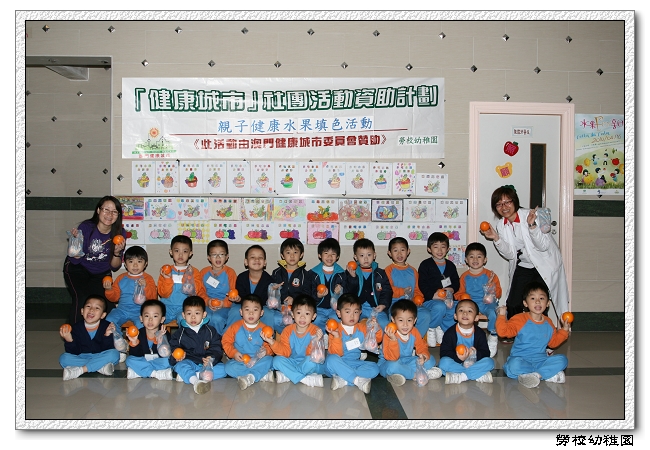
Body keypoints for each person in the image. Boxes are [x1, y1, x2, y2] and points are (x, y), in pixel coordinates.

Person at [481, 185, 570, 325]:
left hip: (544, 264)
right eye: (499, 204)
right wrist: (496, 238)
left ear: (515, 201)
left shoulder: (531, 216)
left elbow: (543, 246)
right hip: (524, 264)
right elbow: (510, 254)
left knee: (539, 302)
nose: (504, 207)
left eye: (507, 202)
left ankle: (542, 334)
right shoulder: (501, 225)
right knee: (513, 302)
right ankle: (516, 331)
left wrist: (532, 226)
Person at [63, 196, 127, 324]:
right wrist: (75, 245)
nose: (109, 215)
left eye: (114, 212)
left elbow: (115, 266)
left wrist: (116, 253)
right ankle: (75, 334)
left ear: (118, 215)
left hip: (101, 273)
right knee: (82, 299)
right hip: (78, 269)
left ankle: (107, 334)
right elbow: (75, 258)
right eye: (106, 210)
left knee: (107, 305)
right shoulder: (87, 227)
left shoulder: (120, 233)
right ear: (98, 210)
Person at [495, 281, 570, 389]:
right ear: (525, 303)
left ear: (548, 303)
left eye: (542, 298)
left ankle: (536, 375)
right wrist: (501, 316)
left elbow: (553, 343)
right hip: (521, 360)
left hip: (541, 361)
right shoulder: (520, 319)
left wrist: (564, 330)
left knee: (563, 360)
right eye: (533, 298)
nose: (538, 302)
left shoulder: (548, 323)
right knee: (513, 365)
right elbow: (503, 332)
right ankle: (545, 374)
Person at [325, 293, 382, 394]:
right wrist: (337, 337)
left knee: (375, 368)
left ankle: (344, 380)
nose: (352, 316)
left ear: (360, 312)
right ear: (339, 313)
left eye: (355, 312)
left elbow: (375, 341)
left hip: (355, 363)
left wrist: (376, 329)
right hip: (339, 362)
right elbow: (336, 353)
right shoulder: (335, 329)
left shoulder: (362, 328)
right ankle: (357, 380)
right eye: (347, 312)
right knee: (331, 359)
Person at [168, 296, 226, 395]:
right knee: (181, 366)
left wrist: (211, 358)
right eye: (189, 313)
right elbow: (174, 347)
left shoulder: (211, 331)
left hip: (206, 363)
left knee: (224, 369)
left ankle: (193, 375)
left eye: (197, 313)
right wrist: (176, 356)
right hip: (189, 361)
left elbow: (216, 347)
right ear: (183, 315)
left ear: (204, 314)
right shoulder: (180, 333)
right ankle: (196, 381)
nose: (193, 317)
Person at [454, 242, 502, 357]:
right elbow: (459, 293)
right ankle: (465, 337)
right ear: (466, 260)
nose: (475, 259)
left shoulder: (490, 275)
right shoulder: (464, 276)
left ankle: (493, 336)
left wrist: (491, 289)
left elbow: (499, 293)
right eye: (471, 257)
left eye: (479, 256)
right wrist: (464, 297)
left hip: (487, 304)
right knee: (460, 311)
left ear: (485, 260)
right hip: (471, 304)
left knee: (494, 313)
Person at [378, 299, 442, 386]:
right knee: (393, 366)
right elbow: (392, 358)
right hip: (388, 362)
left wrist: (423, 356)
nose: (405, 324)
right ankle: (415, 375)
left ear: (414, 320)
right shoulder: (389, 334)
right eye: (401, 320)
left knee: (430, 360)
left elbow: (421, 346)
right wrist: (393, 340)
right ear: (393, 320)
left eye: (409, 320)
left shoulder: (414, 331)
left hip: (407, 360)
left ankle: (401, 374)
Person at [269, 294, 326, 387]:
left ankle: (290, 375)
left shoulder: (316, 331)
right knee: (276, 361)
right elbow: (285, 352)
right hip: (293, 361)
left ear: (313, 316)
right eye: (299, 313)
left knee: (311, 362)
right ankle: (303, 378)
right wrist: (272, 342)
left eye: (307, 314)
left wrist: (315, 341)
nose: (302, 317)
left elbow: (316, 357)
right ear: (292, 314)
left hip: (308, 361)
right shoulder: (287, 330)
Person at [59, 294, 120, 380]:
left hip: (100, 355)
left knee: (114, 354)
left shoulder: (107, 326)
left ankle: (81, 370)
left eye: (97, 308)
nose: (91, 310)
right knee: (64, 358)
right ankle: (100, 367)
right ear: (82, 311)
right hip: (82, 356)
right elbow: (74, 352)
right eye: (88, 306)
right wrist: (69, 339)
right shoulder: (75, 328)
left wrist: (107, 335)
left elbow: (108, 348)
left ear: (103, 315)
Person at [222, 294, 276, 390]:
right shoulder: (235, 327)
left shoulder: (265, 329)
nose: (251, 313)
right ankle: (259, 375)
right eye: (247, 310)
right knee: (228, 367)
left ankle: (251, 376)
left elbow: (270, 347)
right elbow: (226, 341)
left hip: (258, 360)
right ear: (241, 312)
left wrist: (266, 352)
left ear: (261, 313)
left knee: (270, 360)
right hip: (241, 361)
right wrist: (234, 353)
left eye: (255, 310)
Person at [417, 232, 460, 347]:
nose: (440, 250)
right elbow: (422, 284)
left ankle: (444, 329)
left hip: (448, 299)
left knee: (456, 308)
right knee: (440, 307)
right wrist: (432, 295)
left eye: (443, 247)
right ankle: (432, 327)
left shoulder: (451, 265)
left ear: (448, 249)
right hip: (431, 300)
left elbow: (456, 281)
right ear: (429, 249)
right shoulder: (425, 265)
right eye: (436, 247)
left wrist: (452, 289)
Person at [384, 237, 431, 341]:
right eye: (395, 250)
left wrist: (418, 299)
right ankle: (398, 341)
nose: (399, 254)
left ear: (408, 251)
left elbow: (417, 290)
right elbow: (387, 290)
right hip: (395, 304)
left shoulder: (413, 271)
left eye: (402, 250)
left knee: (425, 314)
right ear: (389, 253)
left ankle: (414, 341)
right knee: (396, 317)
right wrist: (402, 291)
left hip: (411, 303)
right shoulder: (388, 270)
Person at [340, 238, 392, 330]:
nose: (366, 258)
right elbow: (348, 293)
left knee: (385, 324)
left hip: (376, 308)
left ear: (374, 255)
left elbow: (387, 291)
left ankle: (384, 339)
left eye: (369, 255)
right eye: (362, 255)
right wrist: (353, 278)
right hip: (357, 309)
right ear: (356, 257)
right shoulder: (350, 272)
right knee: (356, 325)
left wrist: (383, 304)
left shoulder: (380, 273)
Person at [438, 299, 495, 384]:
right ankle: (476, 374)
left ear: (476, 318)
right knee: (443, 363)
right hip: (457, 363)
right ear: (455, 316)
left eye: (469, 311)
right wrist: (458, 358)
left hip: (474, 363)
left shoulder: (480, 333)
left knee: (490, 362)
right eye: (461, 310)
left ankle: (462, 376)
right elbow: (444, 352)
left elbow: (485, 352)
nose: (465, 313)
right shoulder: (450, 333)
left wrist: (475, 354)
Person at [104, 245, 158, 330]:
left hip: (140, 310)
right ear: (125, 264)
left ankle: (141, 338)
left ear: (145, 264)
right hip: (122, 309)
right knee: (109, 320)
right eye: (131, 261)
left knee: (142, 325)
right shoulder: (121, 278)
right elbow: (114, 298)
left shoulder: (148, 278)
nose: (135, 265)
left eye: (139, 261)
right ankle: (117, 338)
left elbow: (153, 298)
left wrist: (146, 286)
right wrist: (109, 290)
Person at [158, 235, 208, 324]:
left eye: (185, 251)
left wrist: (189, 277)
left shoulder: (194, 271)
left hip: (185, 308)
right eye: (177, 251)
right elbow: (163, 293)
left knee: (184, 320)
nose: (180, 255)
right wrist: (167, 278)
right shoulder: (166, 270)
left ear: (190, 253)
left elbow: (195, 293)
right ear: (171, 252)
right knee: (156, 318)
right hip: (166, 306)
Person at [269, 237, 311, 334]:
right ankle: (283, 337)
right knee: (274, 319)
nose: (292, 256)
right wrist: (273, 290)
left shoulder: (305, 275)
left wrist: (295, 300)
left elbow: (307, 294)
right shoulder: (276, 273)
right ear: (282, 255)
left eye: (295, 252)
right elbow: (270, 293)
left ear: (301, 255)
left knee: (296, 322)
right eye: (288, 252)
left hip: (298, 309)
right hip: (279, 308)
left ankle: (292, 337)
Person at [226, 245, 274, 330]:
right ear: (246, 262)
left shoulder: (269, 280)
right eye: (252, 257)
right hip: (243, 304)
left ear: (265, 262)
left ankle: (267, 335)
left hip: (261, 306)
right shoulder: (241, 277)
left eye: (260, 257)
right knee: (235, 311)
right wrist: (238, 299)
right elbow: (241, 295)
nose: (257, 259)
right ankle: (229, 335)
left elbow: (266, 299)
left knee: (268, 313)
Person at [124, 299, 173, 380]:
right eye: (147, 316)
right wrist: (134, 342)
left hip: (157, 361)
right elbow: (136, 355)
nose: (150, 319)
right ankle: (155, 373)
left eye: (155, 316)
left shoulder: (164, 334)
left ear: (162, 319)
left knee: (169, 360)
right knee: (129, 360)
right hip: (143, 360)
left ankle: (140, 371)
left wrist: (159, 342)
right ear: (141, 318)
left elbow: (165, 355)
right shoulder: (138, 333)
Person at [307, 237, 346, 334]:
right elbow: (308, 294)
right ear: (319, 255)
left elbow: (347, 293)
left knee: (338, 319)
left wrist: (340, 292)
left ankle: (335, 339)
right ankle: (321, 337)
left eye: (333, 254)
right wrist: (317, 295)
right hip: (318, 308)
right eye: (326, 253)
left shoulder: (342, 274)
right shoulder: (313, 274)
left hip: (335, 309)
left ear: (337, 256)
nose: (329, 257)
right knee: (316, 320)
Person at [200, 239, 237, 335]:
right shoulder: (203, 272)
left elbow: (233, 293)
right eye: (214, 254)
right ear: (208, 257)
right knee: (205, 317)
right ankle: (204, 340)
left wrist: (224, 303)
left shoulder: (230, 272)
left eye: (221, 254)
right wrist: (207, 301)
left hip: (225, 305)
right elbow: (200, 292)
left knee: (217, 318)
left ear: (227, 257)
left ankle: (218, 341)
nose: (218, 257)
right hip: (207, 304)